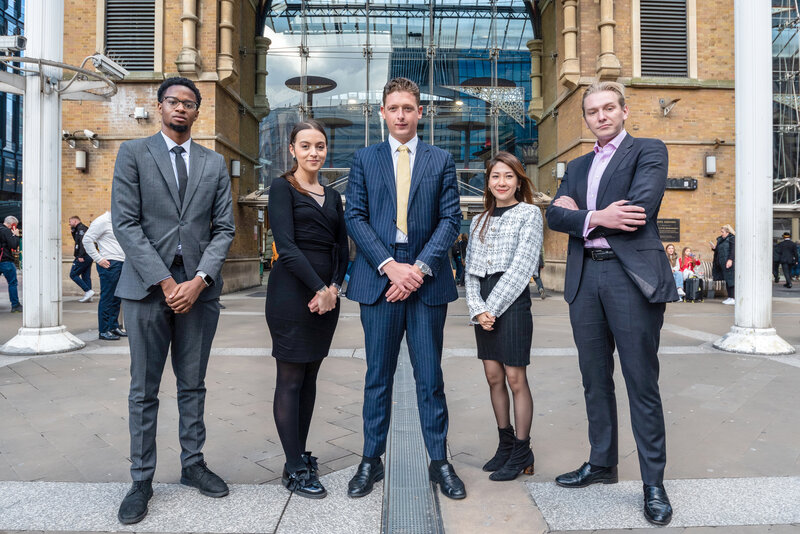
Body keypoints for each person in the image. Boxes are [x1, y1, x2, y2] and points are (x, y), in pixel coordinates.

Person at [545, 81, 677, 526]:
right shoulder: (577, 166)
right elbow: (553, 215)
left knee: (641, 382)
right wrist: (599, 216)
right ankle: (602, 464)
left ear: (624, 110)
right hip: (586, 279)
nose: (600, 116)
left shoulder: (648, 150)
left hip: (629, 277)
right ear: (585, 118)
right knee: (594, 380)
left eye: (608, 108)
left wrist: (579, 214)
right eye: (593, 111)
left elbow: (640, 209)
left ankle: (653, 484)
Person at [111, 77, 235, 525]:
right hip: (147, 291)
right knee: (143, 390)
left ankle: (192, 465)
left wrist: (200, 280)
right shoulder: (133, 154)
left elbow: (224, 229)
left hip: (199, 293)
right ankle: (141, 479)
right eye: (173, 101)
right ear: (160, 106)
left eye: (188, 103)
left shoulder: (213, 163)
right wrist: (166, 282)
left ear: (198, 111)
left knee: (193, 383)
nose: (180, 108)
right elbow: (126, 224)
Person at [344, 77, 465, 500]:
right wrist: (390, 267)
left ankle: (440, 462)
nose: (401, 115)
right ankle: (369, 461)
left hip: (427, 285)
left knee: (429, 378)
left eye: (408, 108)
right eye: (393, 108)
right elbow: (355, 217)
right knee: (378, 377)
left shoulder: (441, 159)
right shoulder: (364, 159)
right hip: (379, 282)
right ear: (382, 113)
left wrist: (418, 268)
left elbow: (451, 220)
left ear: (420, 113)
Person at [265, 120, 348, 499]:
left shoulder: (333, 196)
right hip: (291, 294)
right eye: (306, 146)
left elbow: (341, 250)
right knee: (291, 379)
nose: (314, 152)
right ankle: (295, 469)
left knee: (311, 378)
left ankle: (296, 455)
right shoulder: (282, 187)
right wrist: (319, 288)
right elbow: (286, 244)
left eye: (320, 146)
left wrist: (333, 288)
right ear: (292, 150)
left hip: (325, 298)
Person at [464, 151, 543, 481]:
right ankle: (505, 443)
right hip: (483, 301)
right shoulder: (478, 219)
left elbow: (522, 267)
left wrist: (491, 309)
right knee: (493, 377)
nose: (501, 182)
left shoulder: (530, 214)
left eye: (508, 176)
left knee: (514, 378)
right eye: (495, 176)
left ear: (519, 180)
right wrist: (477, 308)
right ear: (488, 181)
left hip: (511, 304)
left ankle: (523, 449)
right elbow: (469, 270)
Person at [82, 211, 126, 340]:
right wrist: (98, 258)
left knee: (117, 298)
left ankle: (113, 326)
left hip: (121, 262)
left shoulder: (119, 220)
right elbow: (87, 239)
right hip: (109, 264)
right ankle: (104, 330)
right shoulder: (102, 221)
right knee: (107, 298)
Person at [69, 216, 95, 303]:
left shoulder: (81, 229)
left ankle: (88, 291)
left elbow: (83, 243)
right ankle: (89, 295)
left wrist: (80, 255)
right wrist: (73, 232)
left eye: (70, 221)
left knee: (73, 274)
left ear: (75, 221)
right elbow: (77, 241)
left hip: (83, 256)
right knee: (85, 275)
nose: (69, 223)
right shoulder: (77, 229)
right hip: (88, 256)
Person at [0, 215, 21, 313]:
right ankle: (15, 305)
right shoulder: (6, 231)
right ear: (12, 225)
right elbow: (13, 245)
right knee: (12, 283)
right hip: (6, 261)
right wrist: (16, 235)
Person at [711, 225, 735, 305]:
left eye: (722, 232)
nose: (721, 233)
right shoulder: (722, 240)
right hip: (722, 262)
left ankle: (733, 297)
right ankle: (730, 297)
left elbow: (733, 250)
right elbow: (719, 250)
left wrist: (730, 260)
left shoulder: (732, 238)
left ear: (728, 232)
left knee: (731, 280)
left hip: (729, 262)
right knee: (727, 280)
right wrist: (714, 248)